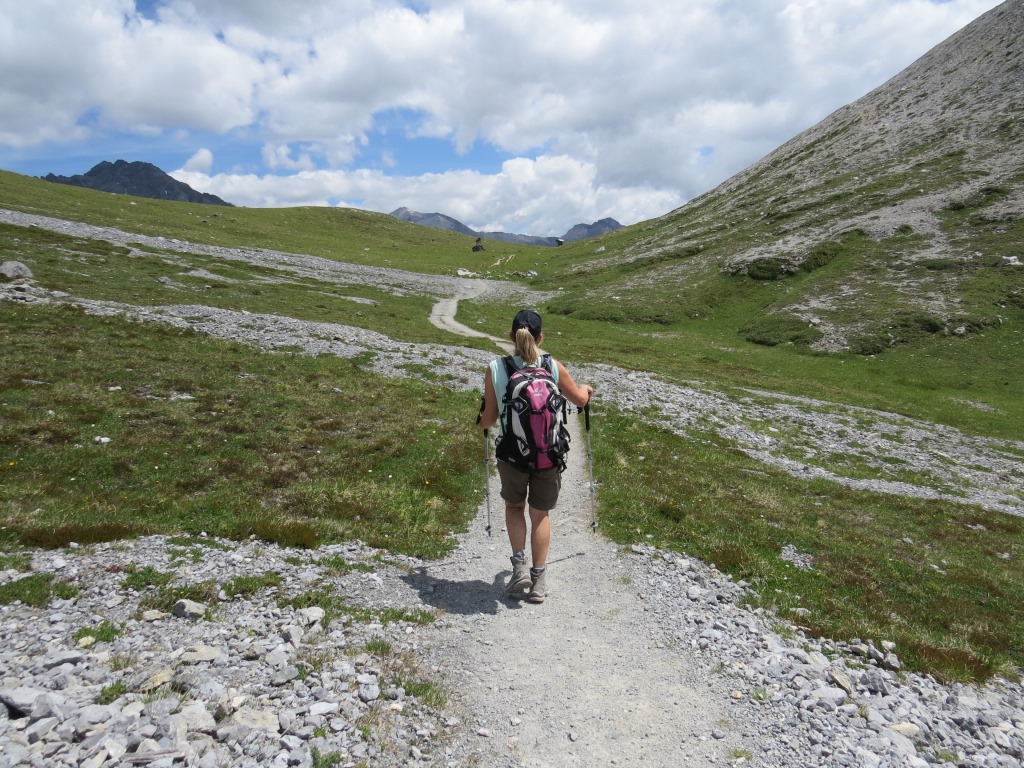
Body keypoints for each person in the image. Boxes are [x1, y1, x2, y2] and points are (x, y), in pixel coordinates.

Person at [478, 309, 593, 603]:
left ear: (511, 337)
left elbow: (489, 419)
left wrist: (480, 422)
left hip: (511, 454)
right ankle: (539, 581)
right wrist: (586, 389)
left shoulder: (496, 368)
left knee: (514, 507)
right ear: (541, 338)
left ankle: (519, 570)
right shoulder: (552, 365)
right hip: (548, 454)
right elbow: (580, 399)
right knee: (540, 514)